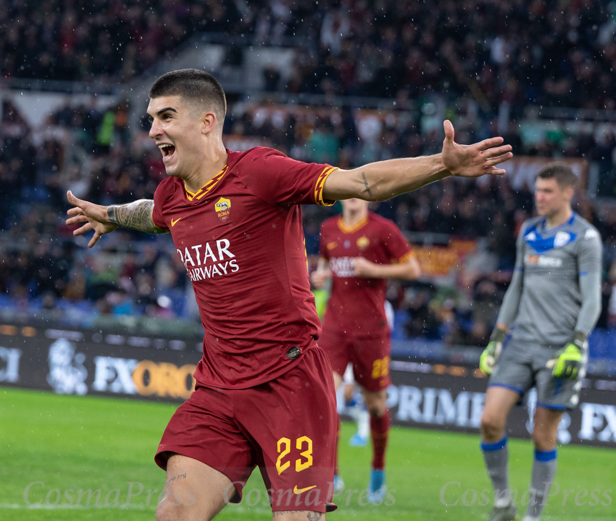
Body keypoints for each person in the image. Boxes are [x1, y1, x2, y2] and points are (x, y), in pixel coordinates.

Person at [66, 68, 511, 521]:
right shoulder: (173, 195)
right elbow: (151, 213)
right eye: (150, 119)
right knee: (174, 515)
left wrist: (443, 165)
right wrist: (110, 214)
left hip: (290, 383)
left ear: (206, 121)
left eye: (165, 116)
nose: (153, 130)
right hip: (217, 388)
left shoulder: (260, 172)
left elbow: (361, 183)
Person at [478, 164, 601, 521]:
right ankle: (503, 504)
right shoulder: (528, 232)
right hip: (520, 343)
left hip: (561, 348)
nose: (540, 197)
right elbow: (517, 287)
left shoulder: (585, 237)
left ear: (568, 193)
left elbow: (592, 298)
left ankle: (533, 515)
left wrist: (577, 343)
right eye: (537, 190)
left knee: (543, 434)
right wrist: (497, 338)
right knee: (489, 419)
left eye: (547, 191)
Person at [311, 197, 420, 500]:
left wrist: (374, 269)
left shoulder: (383, 229)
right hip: (333, 328)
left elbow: (413, 270)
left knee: (374, 405)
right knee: (325, 400)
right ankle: (330, 475)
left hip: (371, 332)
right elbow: (325, 267)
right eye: (350, 188)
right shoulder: (328, 228)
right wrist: (321, 277)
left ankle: (378, 471)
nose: (355, 195)